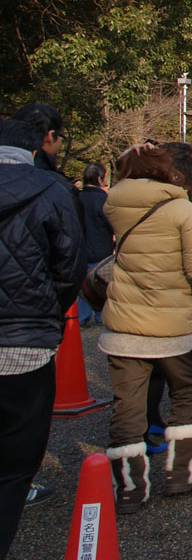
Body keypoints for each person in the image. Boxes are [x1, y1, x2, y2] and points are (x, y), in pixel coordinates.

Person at [101, 143, 192, 514]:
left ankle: (130, 488)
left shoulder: (114, 203)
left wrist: (133, 153)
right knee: (187, 396)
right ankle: (180, 474)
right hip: (172, 324)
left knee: (126, 408)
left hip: (123, 324)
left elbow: (125, 163)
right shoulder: (181, 210)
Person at [0, 119, 84, 553]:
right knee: (15, 460)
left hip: (28, 329)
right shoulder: (51, 190)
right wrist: (47, 314)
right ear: (41, 145)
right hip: (24, 341)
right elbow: (68, 266)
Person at [76, 162, 113, 326]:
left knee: (82, 285)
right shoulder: (104, 199)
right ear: (100, 178)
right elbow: (111, 223)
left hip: (81, 248)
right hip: (101, 248)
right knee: (101, 281)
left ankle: (82, 317)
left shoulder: (77, 197)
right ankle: (100, 314)